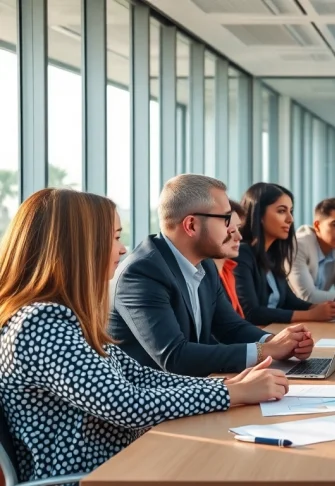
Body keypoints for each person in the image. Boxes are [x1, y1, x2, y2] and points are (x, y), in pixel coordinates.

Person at [0, 189, 289, 483]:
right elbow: (125, 404)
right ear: (79, 247)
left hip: (122, 465)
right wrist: (231, 393)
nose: (123, 249)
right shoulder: (41, 324)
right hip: (92, 477)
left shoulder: (61, 318)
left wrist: (227, 385)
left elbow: (139, 377)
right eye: (114, 238)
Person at [109, 174, 315, 377]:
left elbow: (230, 327)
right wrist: (266, 351)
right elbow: (174, 357)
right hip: (152, 401)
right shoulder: (142, 272)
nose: (232, 229)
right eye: (226, 219)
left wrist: (276, 342)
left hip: (192, 390)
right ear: (191, 225)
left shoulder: (204, 264)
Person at [234, 182, 335, 327]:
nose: (290, 219)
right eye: (281, 211)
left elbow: (289, 301)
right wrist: (311, 315)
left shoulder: (272, 255)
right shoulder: (242, 254)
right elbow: (251, 313)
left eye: (290, 211)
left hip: (275, 332)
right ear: (259, 214)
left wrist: (318, 308)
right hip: (256, 339)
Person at [215, 199, 247, 317]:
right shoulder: (203, 277)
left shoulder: (228, 270)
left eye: (238, 228)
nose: (239, 237)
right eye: (230, 230)